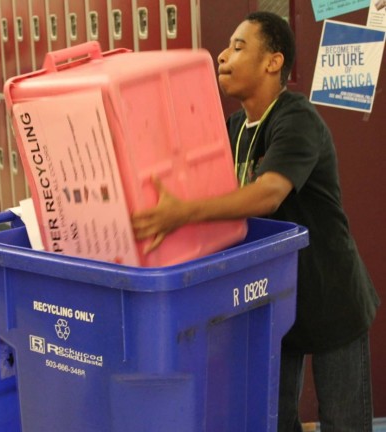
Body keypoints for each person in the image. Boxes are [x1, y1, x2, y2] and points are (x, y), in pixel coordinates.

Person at [131, 11, 380, 432]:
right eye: (226, 48)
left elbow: (268, 193)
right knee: (273, 420)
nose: (222, 56)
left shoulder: (296, 118)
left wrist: (181, 213)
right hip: (273, 297)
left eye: (239, 46)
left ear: (273, 61)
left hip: (329, 294)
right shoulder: (232, 129)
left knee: (344, 423)